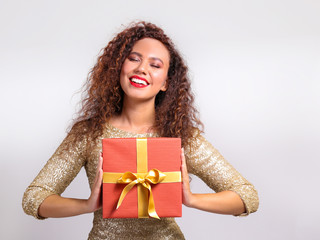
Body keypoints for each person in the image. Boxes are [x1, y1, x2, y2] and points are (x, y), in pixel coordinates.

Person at [22, 21, 259, 239]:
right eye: (134, 59)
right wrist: (87, 205)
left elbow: (246, 196)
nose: (142, 69)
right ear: (118, 67)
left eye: (155, 65)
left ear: (166, 82)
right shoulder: (88, 133)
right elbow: (34, 197)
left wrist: (191, 199)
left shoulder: (181, 136)